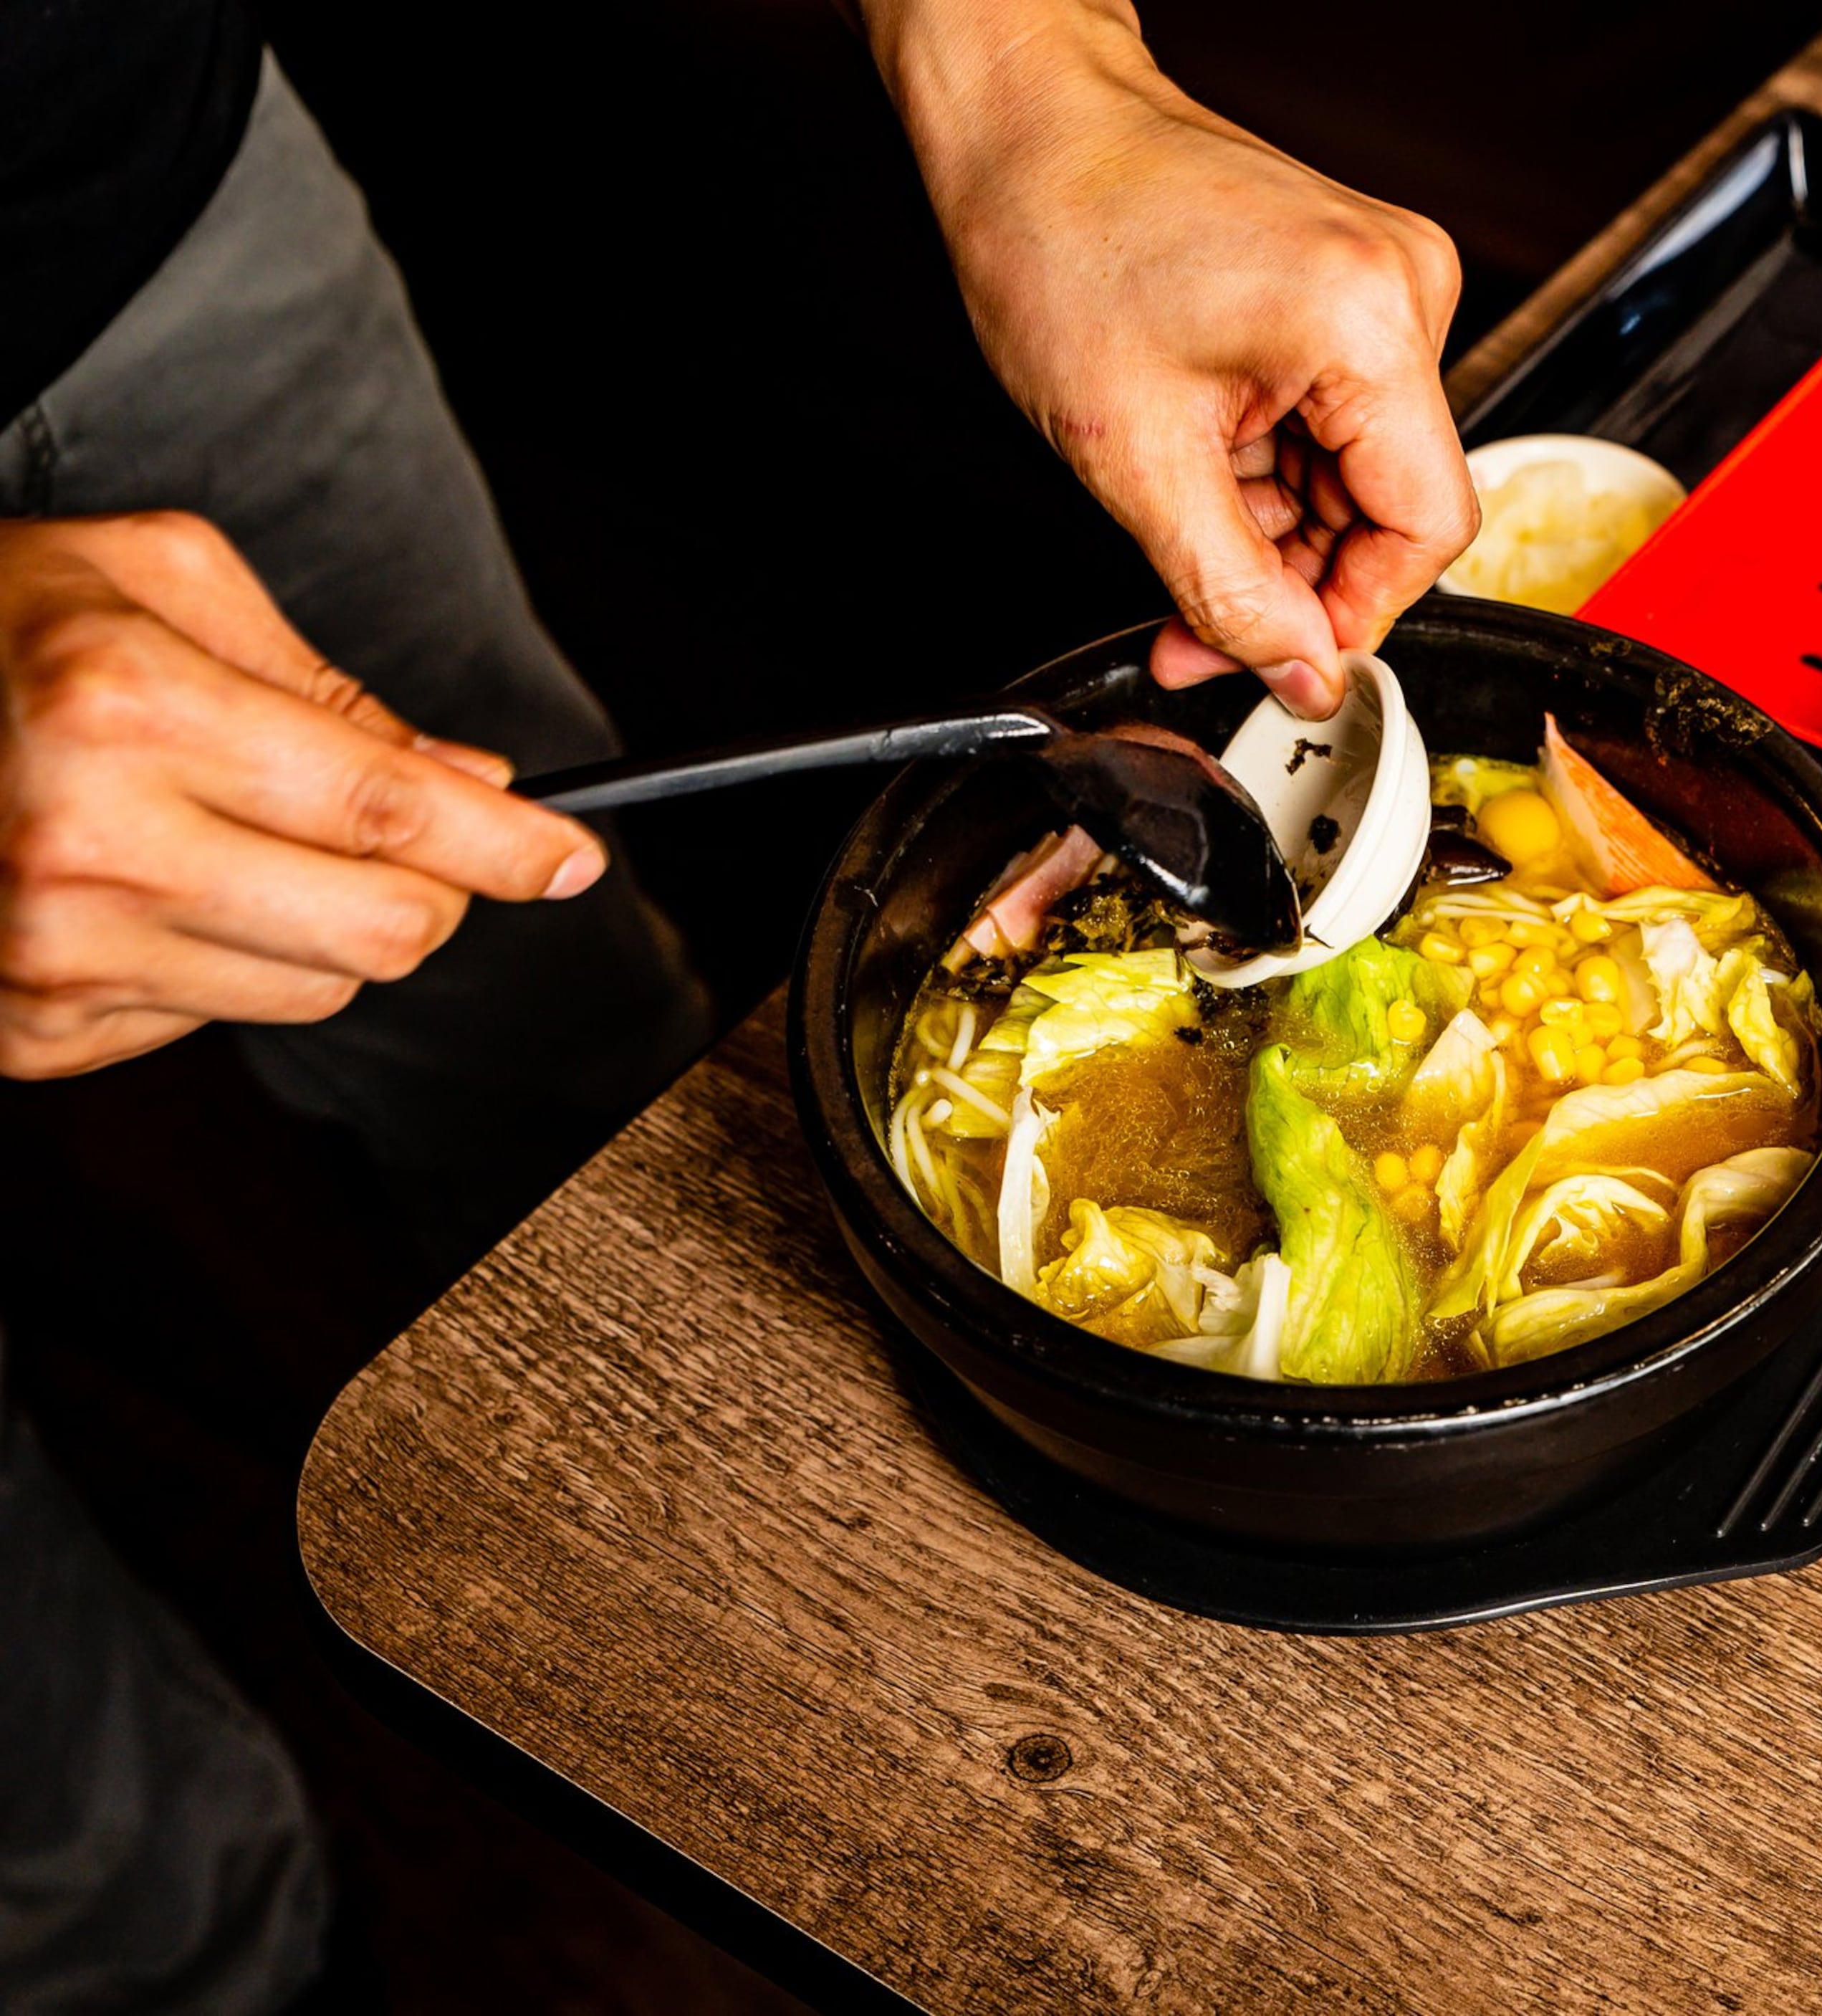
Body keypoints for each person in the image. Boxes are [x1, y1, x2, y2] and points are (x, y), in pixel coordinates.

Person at [0, 0, 1477, 2007]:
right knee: (77, 1831)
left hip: (123, 171)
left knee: (575, 1064)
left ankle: (750, 1628)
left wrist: (1039, 77)